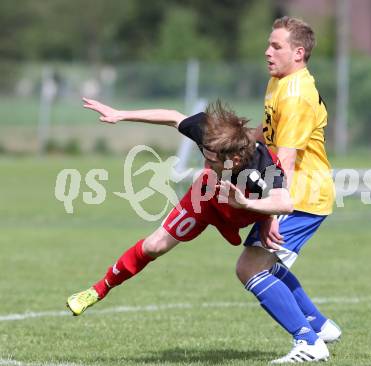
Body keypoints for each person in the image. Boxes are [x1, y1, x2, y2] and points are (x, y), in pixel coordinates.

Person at [66, 98, 293, 318]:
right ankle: (98, 290)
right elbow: (173, 117)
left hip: (241, 209)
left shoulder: (262, 167)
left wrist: (262, 214)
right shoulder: (211, 136)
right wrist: (122, 114)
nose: (207, 162)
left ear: (234, 159)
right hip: (205, 198)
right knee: (154, 245)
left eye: (213, 160)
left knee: (258, 257)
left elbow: (285, 202)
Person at [232, 16, 341, 363]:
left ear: (298, 52)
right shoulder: (280, 81)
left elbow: (288, 160)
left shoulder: (295, 95)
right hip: (300, 193)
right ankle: (320, 325)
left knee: (250, 268)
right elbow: (270, 135)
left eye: (275, 46)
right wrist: (234, 141)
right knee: (269, 261)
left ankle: (308, 342)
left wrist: (275, 212)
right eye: (268, 44)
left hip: (301, 196)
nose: (267, 51)